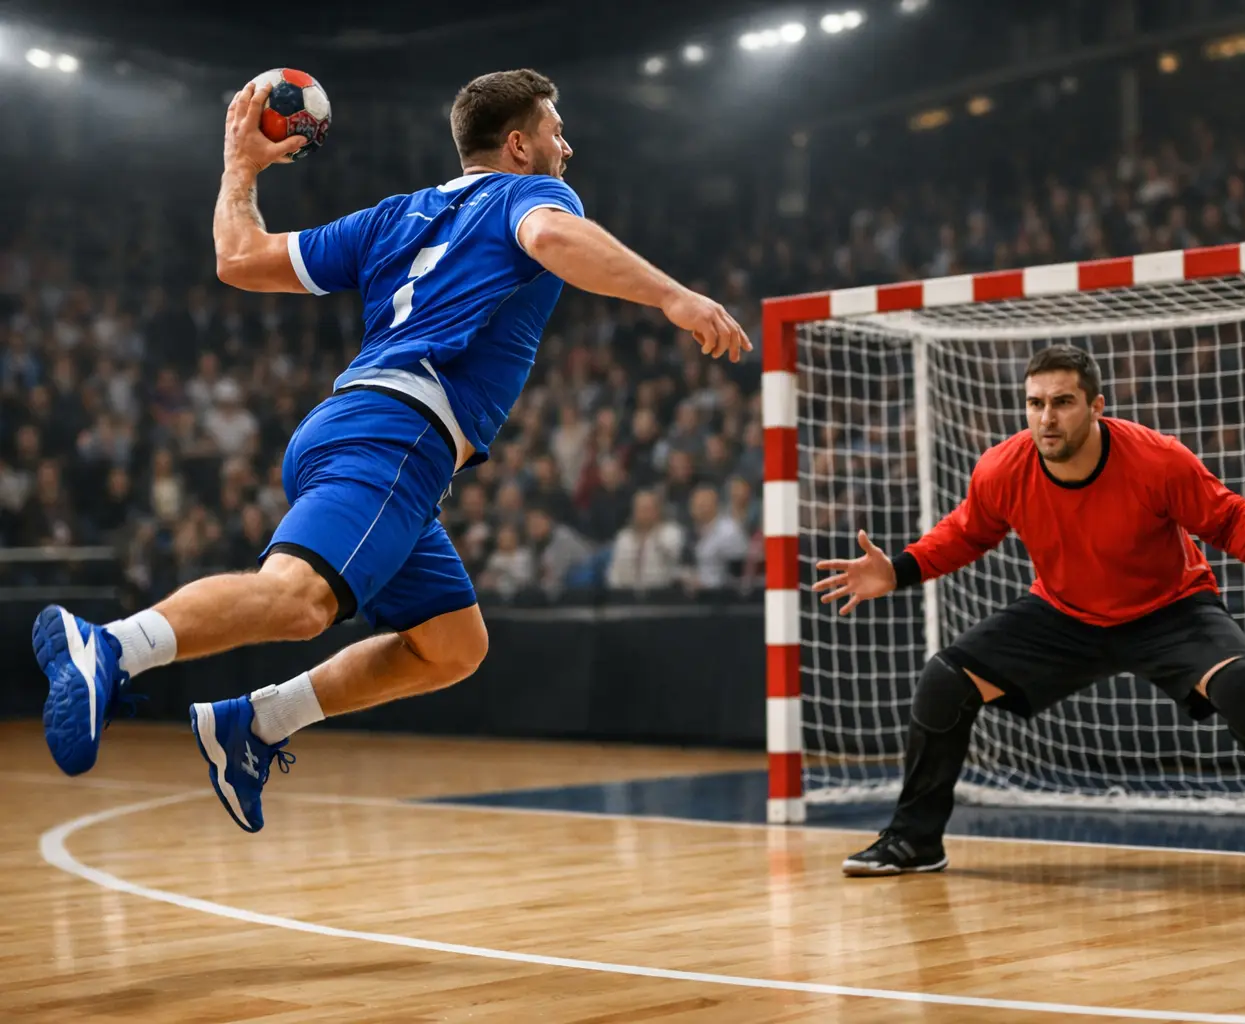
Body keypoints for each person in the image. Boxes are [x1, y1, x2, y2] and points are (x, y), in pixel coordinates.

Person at [34, 69, 749, 833]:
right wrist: (673, 295)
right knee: (300, 603)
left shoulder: (389, 218)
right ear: (518, 145)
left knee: (452, 645)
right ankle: (110, 646)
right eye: (555, 131)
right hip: (397, 432)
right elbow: (549, 237)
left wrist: (239, 168)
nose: (565, 147)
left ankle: (255, 724)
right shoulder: (531, 196)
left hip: (359, 429)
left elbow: (239, 258)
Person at [814, 344, 1245, 892]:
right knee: (944, 682)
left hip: (1170, 609)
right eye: (1036, 403)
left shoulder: (1156, 458)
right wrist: (899, 570)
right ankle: (915, 841)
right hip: (1065, 613)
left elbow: (1225, 518)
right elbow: (966, 532)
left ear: (1096, 406)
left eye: (1062, 402)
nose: (1047, 418)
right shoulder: (1003, 467)